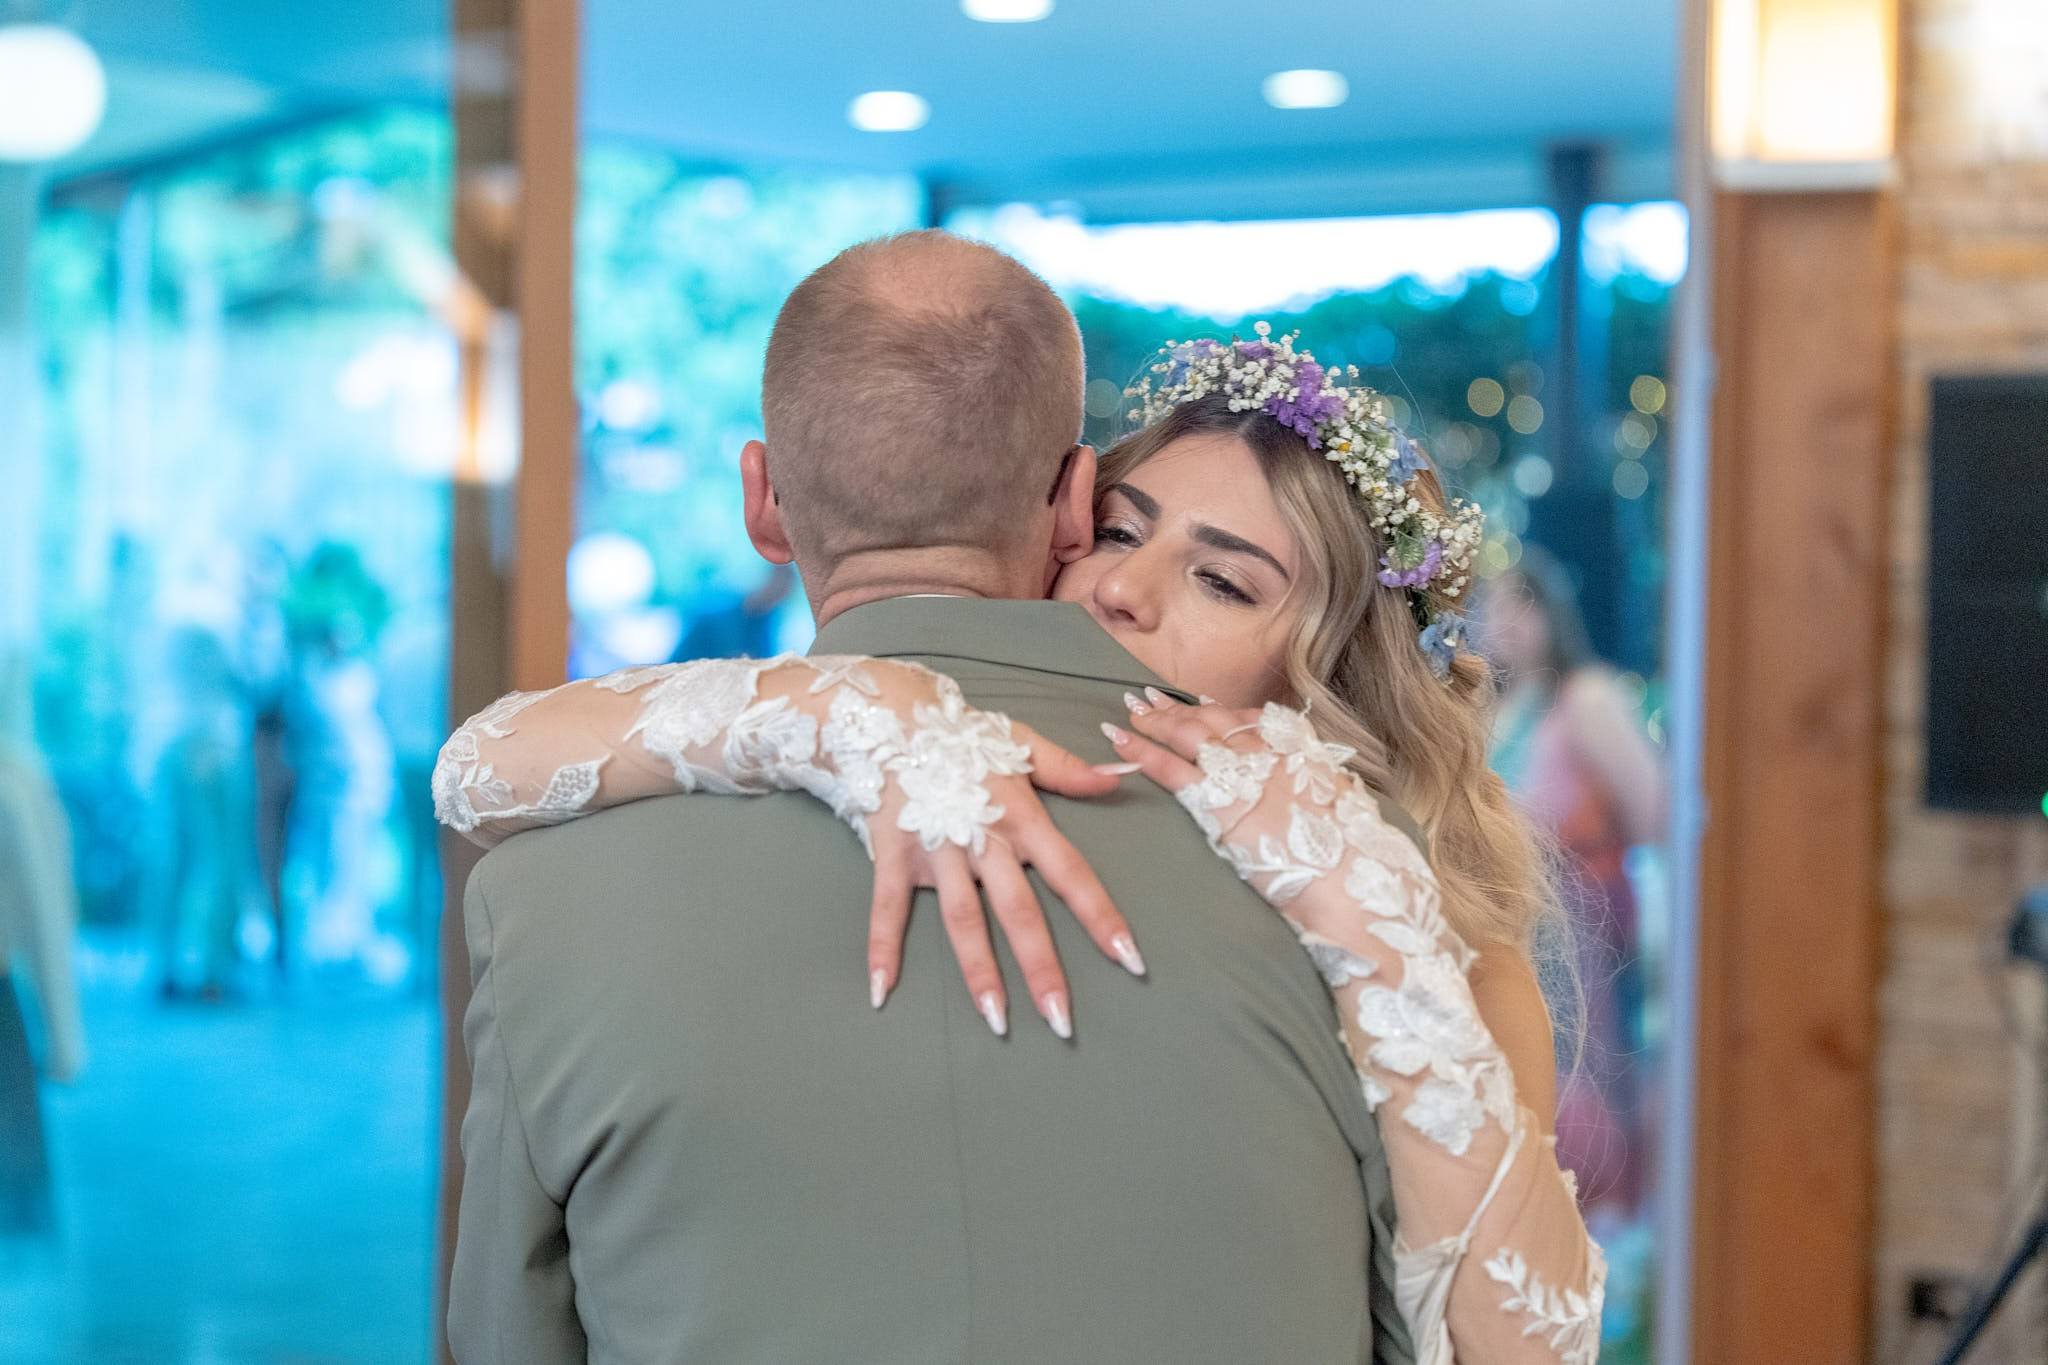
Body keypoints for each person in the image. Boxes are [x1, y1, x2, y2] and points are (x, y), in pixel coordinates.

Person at [439, 233, 1601, 1362]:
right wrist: (845, 710)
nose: (1125, 590)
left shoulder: (1385, 905)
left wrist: (1369, 908)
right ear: (1068, 511)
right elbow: (481, 762)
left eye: (1222, 581)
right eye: (1118, 532)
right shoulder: (830, 740)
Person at [1477, 548, 1666, 1219]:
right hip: (1506, 932)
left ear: (1551, 612)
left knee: (1581, 1096)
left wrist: (1583, 855)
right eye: (1494, 606)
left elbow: (1657, 813)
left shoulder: (1585, 699)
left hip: (1579, 931)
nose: (1506, 621)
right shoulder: (1488, 709)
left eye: (1522, 604)